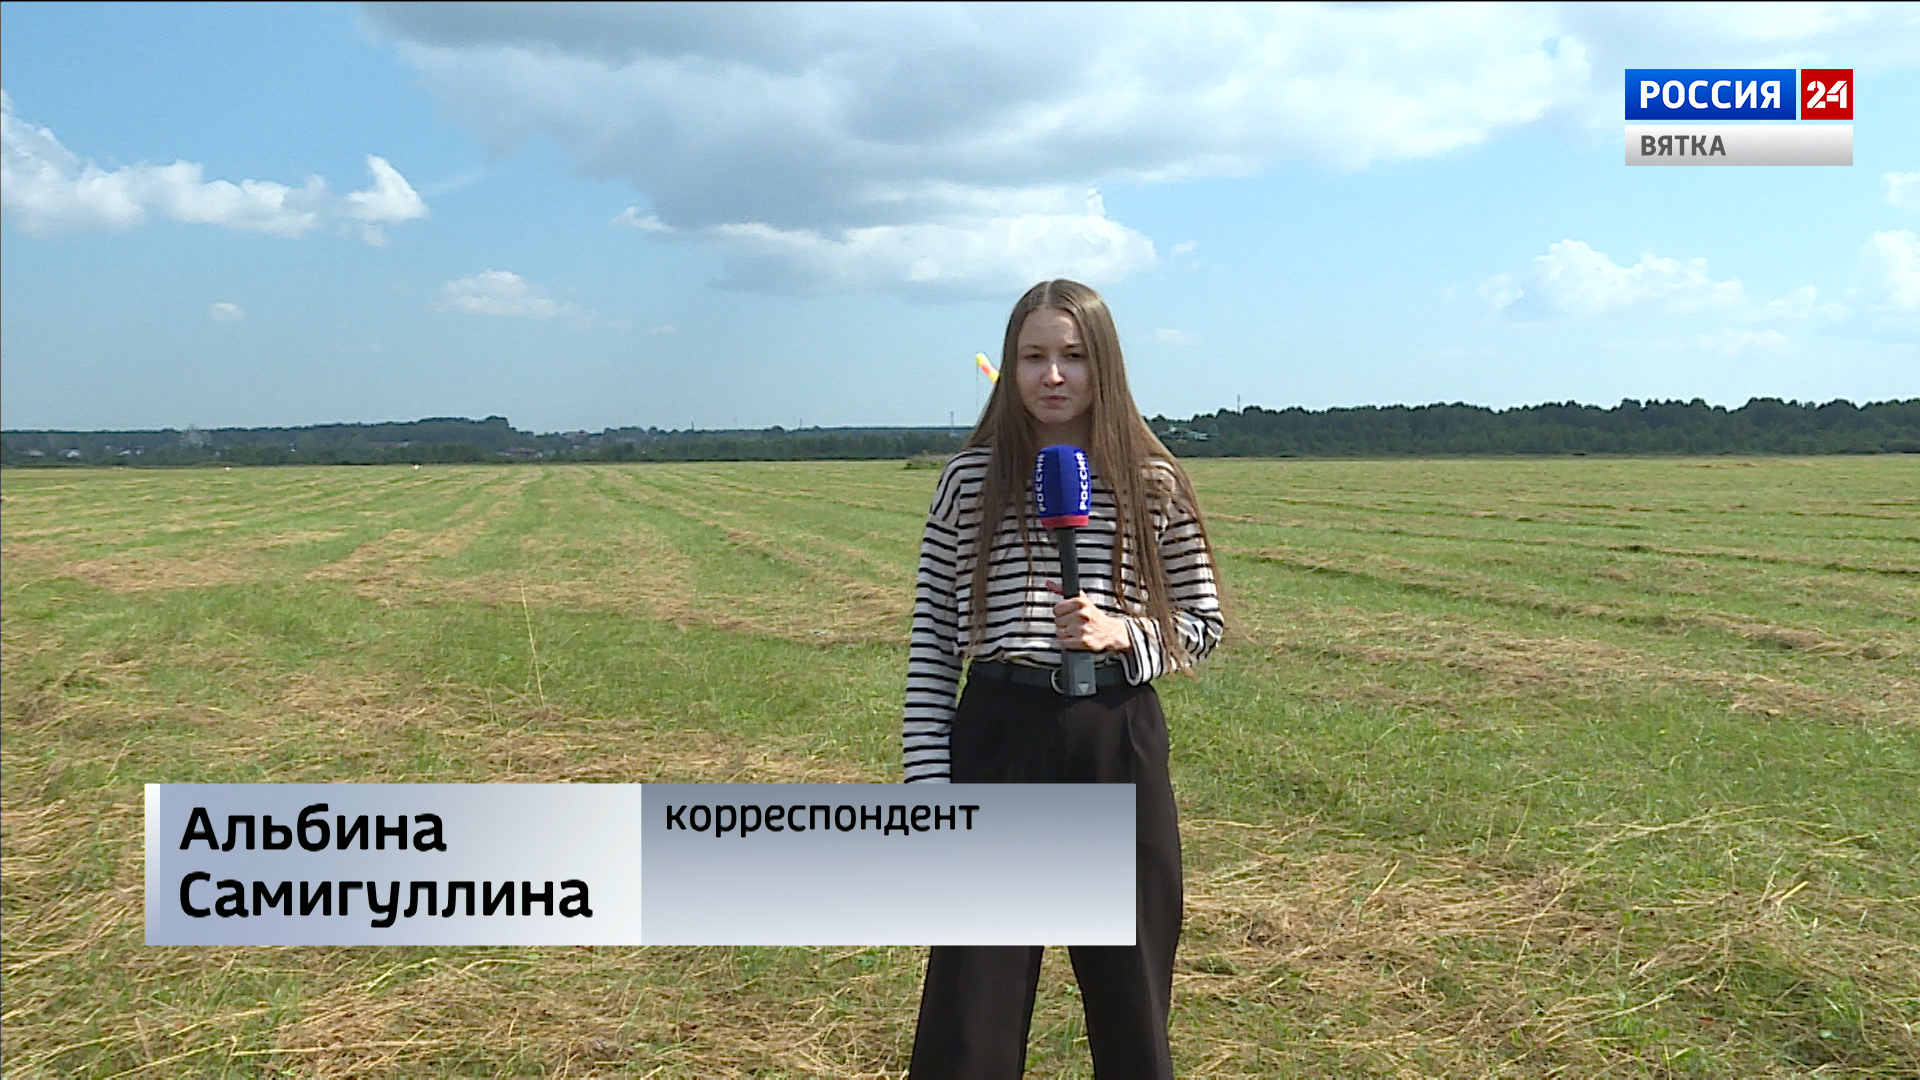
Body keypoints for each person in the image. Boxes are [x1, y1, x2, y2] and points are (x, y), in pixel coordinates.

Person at [902, 279, 1225, 1079]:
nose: (1053, 375)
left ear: (1104, 365)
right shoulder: (967, 481)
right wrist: (926, 785)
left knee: (1130, 995)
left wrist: (1125, 633)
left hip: (1114, 737)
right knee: (973, 1001)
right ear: (1010, 368)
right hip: (1000, 734)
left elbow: (1202, 623)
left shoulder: (1155, 481)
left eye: (1073, 356)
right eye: (1033, 357)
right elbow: (933, 643)